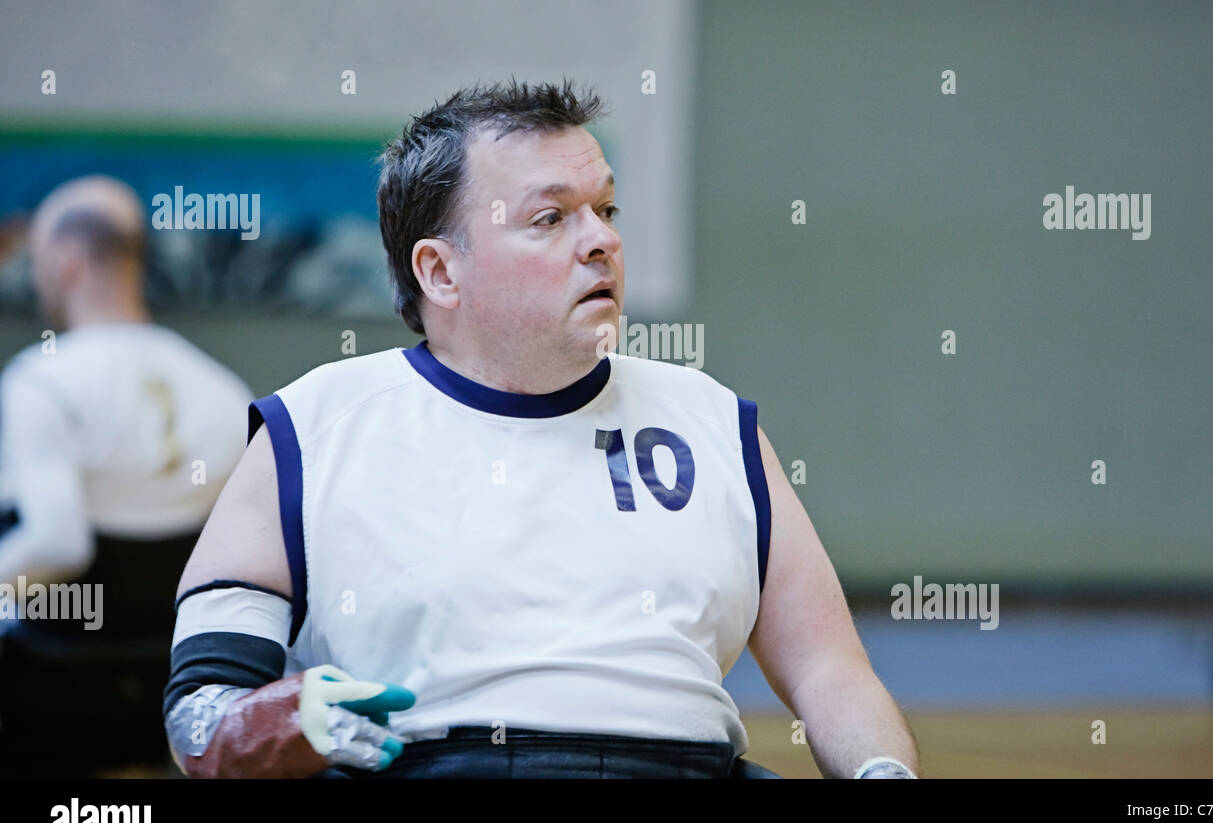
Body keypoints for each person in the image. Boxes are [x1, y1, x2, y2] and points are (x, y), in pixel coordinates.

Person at [164, 79, 919, 779]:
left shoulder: (715, 423)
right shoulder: (312, 431)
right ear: (440, 272)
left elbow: (830, 671)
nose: (602, 241)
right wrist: (272, 721)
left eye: (606, 211)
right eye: (551, 217)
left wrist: (882, 773)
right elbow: (199, 713)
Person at [0, 175, 252, 776]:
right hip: (168, 686)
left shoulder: (41, 381)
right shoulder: (221, 388)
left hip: (51, 691)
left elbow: (57, 545)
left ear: (63, 262)